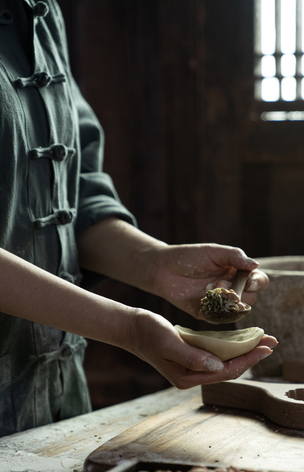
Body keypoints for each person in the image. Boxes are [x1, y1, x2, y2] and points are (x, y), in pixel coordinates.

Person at [0, 0, 277, 437]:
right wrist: (127, 328)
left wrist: (157, 264)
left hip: (53, 395)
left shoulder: (41, 13)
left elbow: (76, 193)